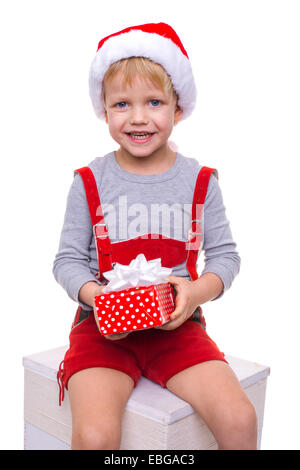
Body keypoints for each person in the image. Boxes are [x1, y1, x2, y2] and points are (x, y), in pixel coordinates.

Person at [53, 22, 257, 450]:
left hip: (177, 331)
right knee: (94, 435)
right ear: (104, 112)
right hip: (102, 333)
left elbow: (225, 258)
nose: (139, 117)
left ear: (178, 108)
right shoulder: (89, 180)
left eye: (154, 102)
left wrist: (194, 294)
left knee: (239, 418)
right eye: (122, 104)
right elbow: (67, 260)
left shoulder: (200, 181)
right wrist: (99, 299)